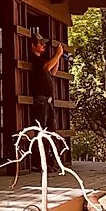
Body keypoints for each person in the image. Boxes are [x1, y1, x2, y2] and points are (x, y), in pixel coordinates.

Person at [29, 31, 63, 172]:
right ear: (33, 45)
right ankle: (37, 162)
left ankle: (48, 161)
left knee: (50, 131)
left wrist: (58, 56)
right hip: (41, 100)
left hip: (48, 101)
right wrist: (57, 55)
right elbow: (46, 68)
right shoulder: (34, 59)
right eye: (40, 43)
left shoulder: (42, 60)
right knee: (41, 131)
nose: (43, 45)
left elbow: (52, 72)